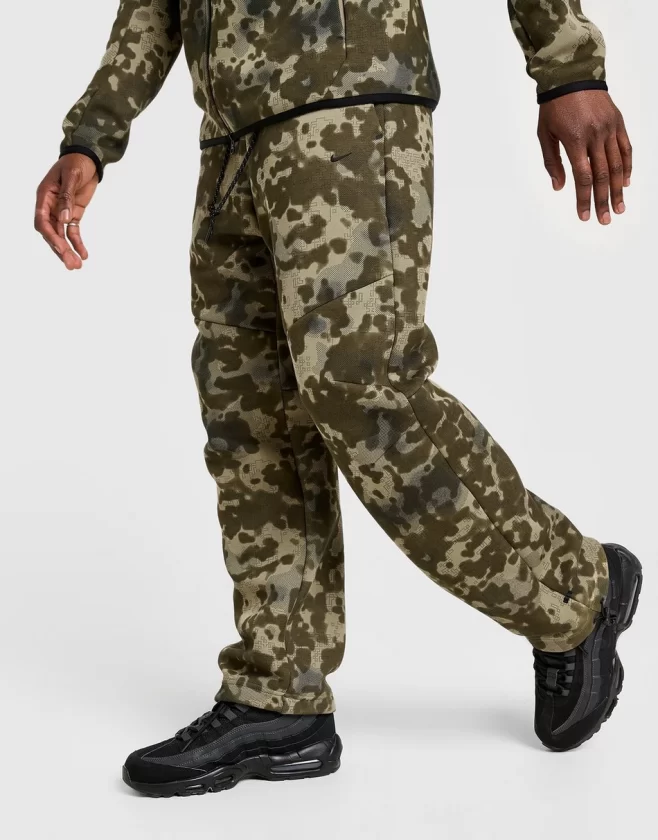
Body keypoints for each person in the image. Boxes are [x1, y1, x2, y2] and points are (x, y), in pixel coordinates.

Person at [35, 1, 642, 798]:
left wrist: (567, 66)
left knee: (365, 393)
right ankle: (278, 692)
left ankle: (576, 587)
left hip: (350, 101)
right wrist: (91, 135)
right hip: (230, 140)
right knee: (251, 415)